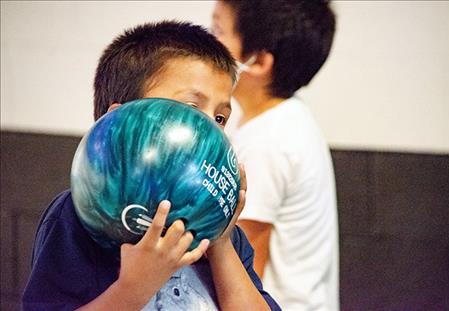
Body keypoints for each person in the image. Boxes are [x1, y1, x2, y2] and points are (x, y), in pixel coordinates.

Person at [22, 21, 281, 311]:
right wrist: (135, 286)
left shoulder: (227, 237)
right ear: (119, 124)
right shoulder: (81, 216)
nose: (211, 132)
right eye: (191, 110)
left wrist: (220, 243)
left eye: (220, 118)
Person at [211, 1, 339, 310]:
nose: (207, 41)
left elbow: (244, 266)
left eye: (217, 30)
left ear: (257, 62)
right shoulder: (286, 117)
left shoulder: (266, 142)